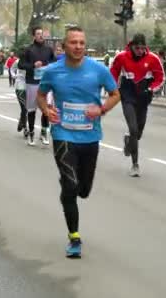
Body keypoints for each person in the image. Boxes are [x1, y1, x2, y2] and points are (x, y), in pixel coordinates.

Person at [37, 26, 121, 258]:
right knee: (70, 186)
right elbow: (41, 96)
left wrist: (101, 109)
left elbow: (115, 94)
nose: (78, 46)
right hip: (63, 134)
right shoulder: (53, 71)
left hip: (90, 137)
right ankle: (74, 237)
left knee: (83, 190)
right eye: (73, 42)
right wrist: (47, 110)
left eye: (82, 43)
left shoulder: (98, 70)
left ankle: (69, 184)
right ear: (64, 46)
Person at [110, 33, 164, 177]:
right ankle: (135, 165)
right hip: (127, 95)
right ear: (132, 46)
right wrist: (113, 87)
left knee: (137, 134)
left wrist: (151, 88)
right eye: (137, 48)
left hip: (143, 97)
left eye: (142, 48)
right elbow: (113, 72)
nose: (140, 51)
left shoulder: (153, 59)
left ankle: (129, 140)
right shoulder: (122, 57)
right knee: (133, 129)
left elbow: (160, 77)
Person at [20, 26, 56, 146]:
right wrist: (33, 65)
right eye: (38, 34)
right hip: (32, 82)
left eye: (42, 33)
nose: (41, 36)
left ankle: (44, 133)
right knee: (32, 109)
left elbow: (54, 62)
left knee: (46, 109)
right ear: (34, 36)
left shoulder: (48, 49)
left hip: (46, 83)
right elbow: (21, 65)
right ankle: (31, 134)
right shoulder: (28, 49)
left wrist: (46, 64)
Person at [12, 49, 28, 137]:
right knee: (24, 108)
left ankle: (21, 121)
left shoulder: (31, 61)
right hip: (19, 86)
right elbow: (11, 69)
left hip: (29, 86)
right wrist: (15, 76)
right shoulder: (18, 61)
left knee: (27, 109)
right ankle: (25, 128)